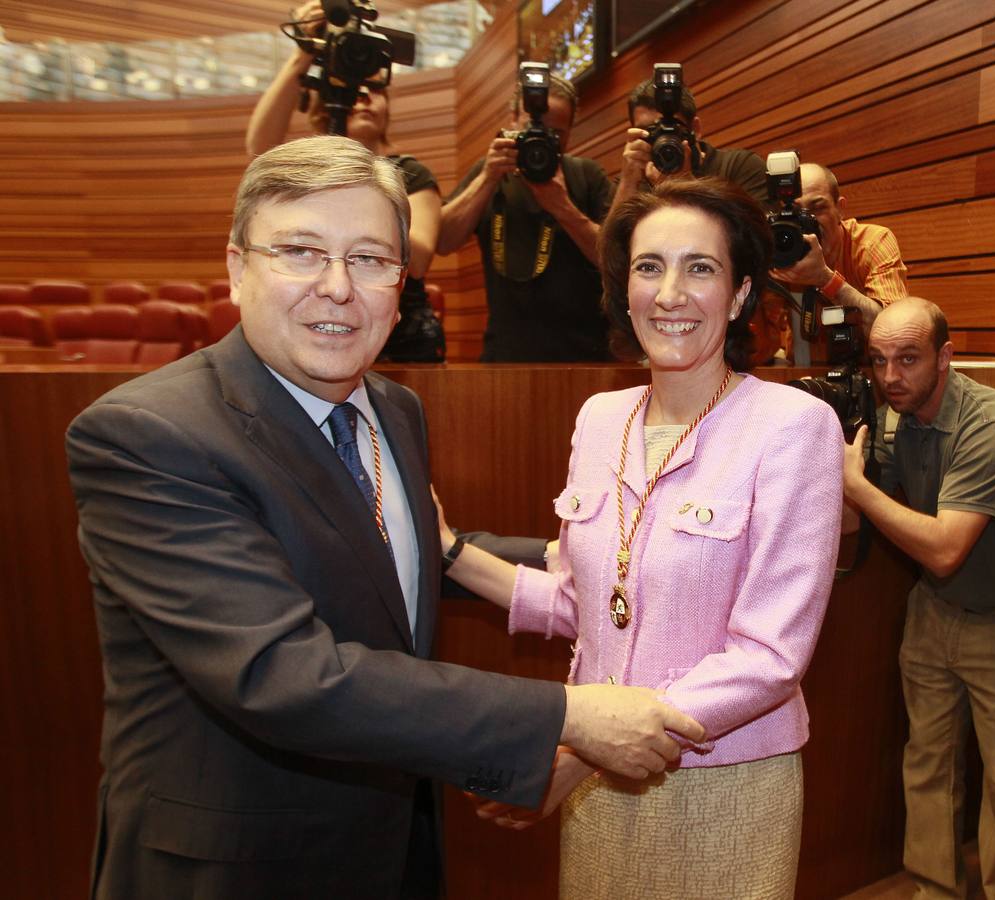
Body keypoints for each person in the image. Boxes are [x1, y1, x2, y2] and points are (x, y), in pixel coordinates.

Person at [65, 135, 703, 900]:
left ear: (401, 282)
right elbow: (280, 673)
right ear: (238, 268)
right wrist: (564, 715)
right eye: (300, 251)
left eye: (370, 260)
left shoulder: (393, 408)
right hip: (237, 863)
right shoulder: (151, 435)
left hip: (391, 840)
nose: (337, 288)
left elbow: (400, 556)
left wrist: (633, 562)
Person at [442, 177, 842, 899]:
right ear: (623, 289)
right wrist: (447, 551)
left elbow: (770, 656)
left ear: (742, 294)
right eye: (649, 267)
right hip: (597, 773)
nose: (670, 293)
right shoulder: (600, 418)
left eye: (701, 268)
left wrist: (579, 757)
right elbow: (582, 603)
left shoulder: (792, 426)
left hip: (725, 781)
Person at [843, 298, 995, 899]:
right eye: (880, 360)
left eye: (908, 359)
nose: (891, 377)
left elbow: (943, 548)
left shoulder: (992, 424)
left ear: (945, 356)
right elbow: (856, 526)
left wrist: (856, 487)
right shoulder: (894, 417)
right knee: (928, 764)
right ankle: (934, 891)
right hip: (936, 610)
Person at [244, 0, 446, 362]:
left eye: (376, 91)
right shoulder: (306, 173)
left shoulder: (411, 173)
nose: (365, 98)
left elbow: (417, 260)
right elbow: (260, 146)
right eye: (356, 89)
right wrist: (304, 52)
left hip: (403, 341)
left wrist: (373, 210)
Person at [438, 71, 613, 362]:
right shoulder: (491, 172)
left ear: (571, 130)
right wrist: (488, 178)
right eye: (534, 127)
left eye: (557, 133)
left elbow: (616, 260)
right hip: (505, 354)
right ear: (512, 119)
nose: (544, 139)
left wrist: (562, 208)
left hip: (585, 355)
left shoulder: (585, 174)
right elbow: (443, 241)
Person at [768, 162, 909, 364]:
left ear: (840, 209)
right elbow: (760, 345)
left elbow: (894, 333)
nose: (807, 221)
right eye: (796, 211)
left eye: (817, 208)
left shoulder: (871, 244)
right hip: (805, 379)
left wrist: (826, 280)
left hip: (872, 375)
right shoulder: (778, 253)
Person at [611, 75, 767, 211]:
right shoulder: (632, 182)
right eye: (650, 131)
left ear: (695, 129)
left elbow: (757, 240)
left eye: (670, 129)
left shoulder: (739, 167)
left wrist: (684, 186)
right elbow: (610, 244)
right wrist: (627, 183)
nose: (661, 139)